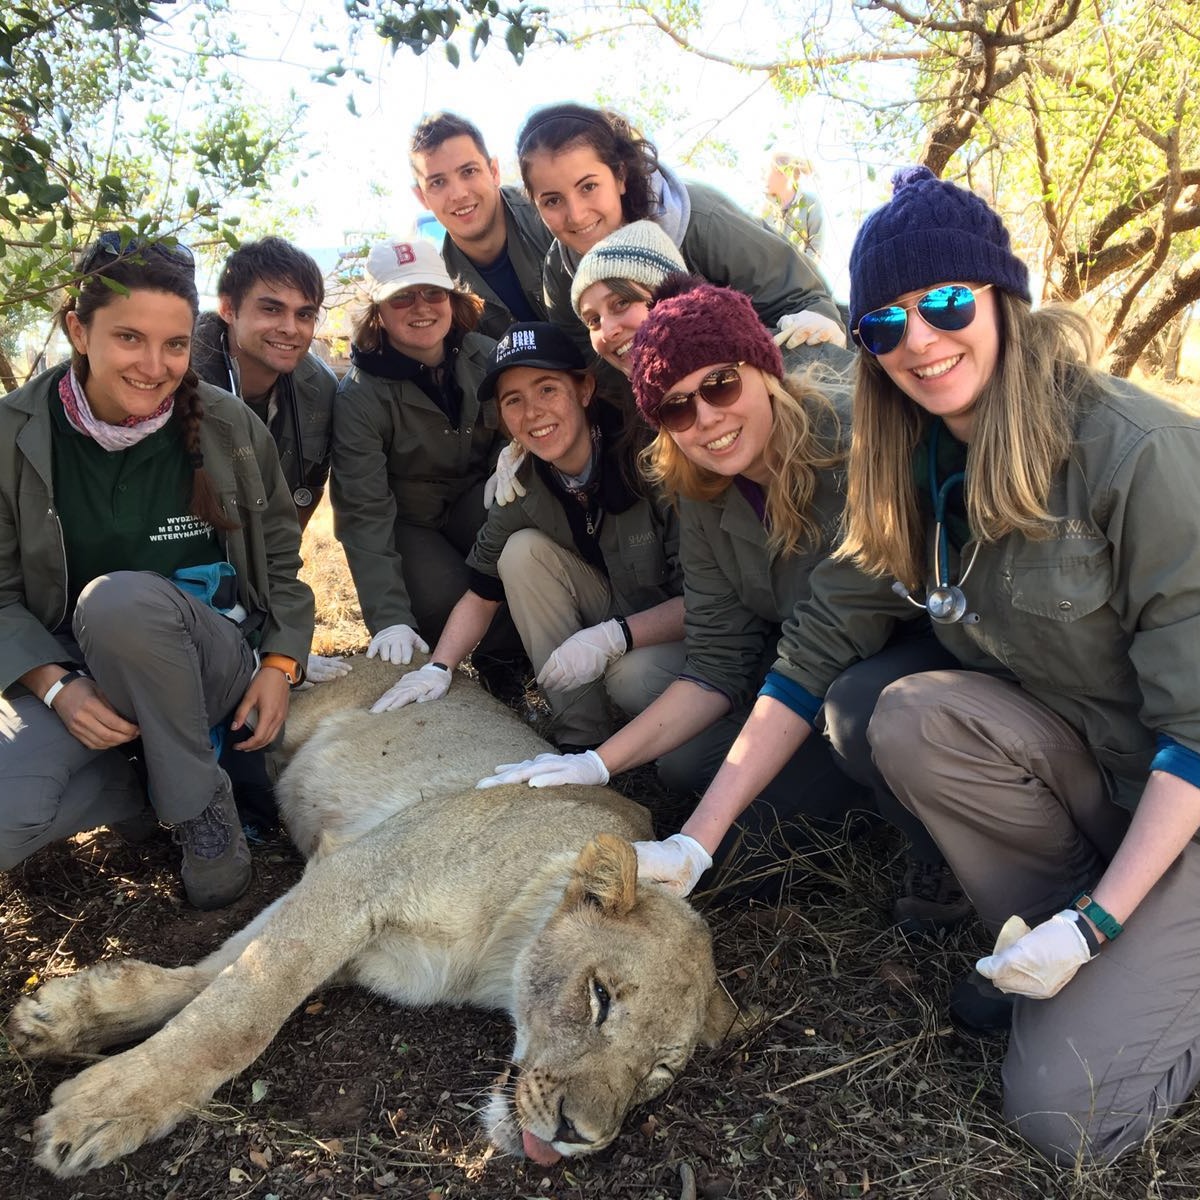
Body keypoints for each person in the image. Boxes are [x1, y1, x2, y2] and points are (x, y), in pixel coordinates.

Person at [832, 164, 1200, 1165]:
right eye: (883, 326)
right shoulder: (919, 466)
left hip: (1185, 784)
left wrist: (1096, 924)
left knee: (1061, 1115)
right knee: (898, 713)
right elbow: (822, 631)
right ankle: (1101, 941)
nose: (920, 340)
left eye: (945, 302)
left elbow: (1199, 738)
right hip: (1105, 771)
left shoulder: (1138, 451)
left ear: (1004, 298)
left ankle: (1117, 947)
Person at [480, 279, 964, 919]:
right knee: (710, 808)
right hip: (811, 679)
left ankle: (939, 846)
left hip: (917, 657)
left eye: (720, 385)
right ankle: (858, 787)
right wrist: (596, 764)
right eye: (677, 408)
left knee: (852, 711)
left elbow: (820, 650)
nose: (706, 418)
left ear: (763, 371)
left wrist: (695, 839)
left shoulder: (850, 445)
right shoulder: (698, 488)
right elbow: (715, 660)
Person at [0, 233, 314, 909]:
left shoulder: (229, 428)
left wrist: (280, 663)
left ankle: (201, 808)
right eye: (129, 339)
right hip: (81, 674)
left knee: (119, 604)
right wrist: (57, 691)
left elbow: (284, 560)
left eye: (174, 344)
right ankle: (143, 793)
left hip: (209, 659)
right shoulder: (13, 434)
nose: (155, 365)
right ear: (79, 331)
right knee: (7, 812)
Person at [372, 322, 685, 753]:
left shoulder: (649, 456)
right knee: (521, 553)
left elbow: (712, 599)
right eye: (513, 400)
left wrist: (616, 637)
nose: (532, 412)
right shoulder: (520, 480)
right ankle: (580, 741)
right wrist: (439, 668)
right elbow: (481, 595)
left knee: (631, 678)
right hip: (618, 607)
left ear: (585, 390)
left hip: (690, 627)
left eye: (547, 390)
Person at [330, 238, 524, 688]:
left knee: (517, 548)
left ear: (452, 299)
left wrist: (512, 454)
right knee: (445, 594)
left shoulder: (486, 353)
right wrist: (389, 618)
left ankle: (509, 667)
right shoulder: (360, 394)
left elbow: (519, 423)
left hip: (478, 499)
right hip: (411, 523)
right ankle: (455, 660)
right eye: (402, 296)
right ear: (377, 310)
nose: (421, 307)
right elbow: (364, 511)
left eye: (433, 292)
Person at [516, 102, 845, 352]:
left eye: (588, 187)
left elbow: (801, 299)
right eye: (552, 201)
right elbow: (589, 370)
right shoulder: (560, 277)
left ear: (619, 175)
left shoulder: (702, 219)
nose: (575, 214)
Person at [571, 220, 854, 382]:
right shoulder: (654, 414)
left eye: (621, 303)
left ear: (669, 297)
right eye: (593, 320)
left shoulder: (786, 363)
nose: (607, 331)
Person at [410, 111, 555, 341]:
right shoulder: (441, 289)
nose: (458, 194)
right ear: (422, 198)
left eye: (468, 171)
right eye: (438, 182)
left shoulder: (550, 212)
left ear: (494, 171)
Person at [764, 150, 828, 265]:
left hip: (799, 280)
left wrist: (794, 278)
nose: (764, 177)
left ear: (781, 173)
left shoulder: (811, 203)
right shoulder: (766, 209)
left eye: (768, 171)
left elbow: (815, 250)